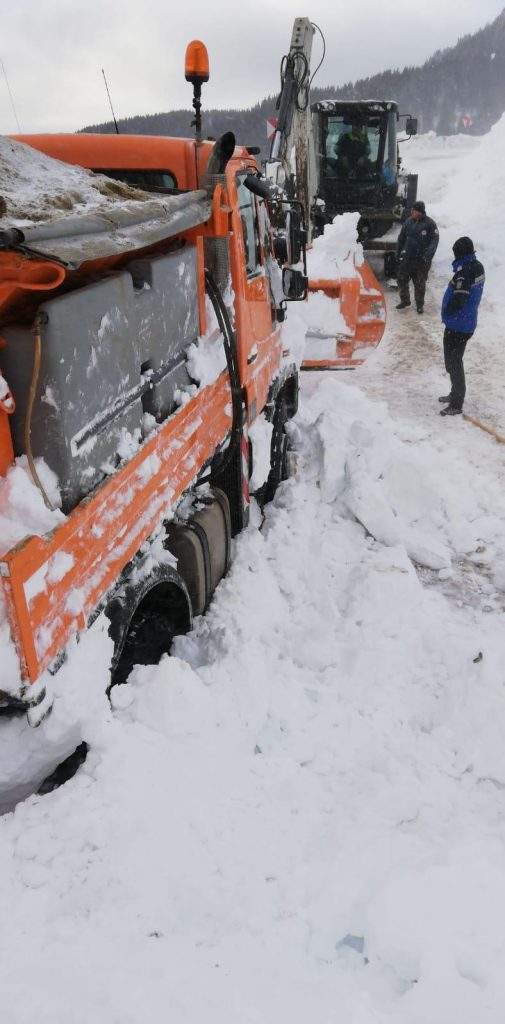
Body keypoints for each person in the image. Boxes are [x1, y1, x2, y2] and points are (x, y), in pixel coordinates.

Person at [439, 236, 485, 416]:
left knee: (453, 362)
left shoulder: (465, 271)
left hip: (458, 324)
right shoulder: (477, 265)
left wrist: (447, 311)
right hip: (465, 322)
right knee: (453, 360)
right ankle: (454, 394)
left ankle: (456, 404)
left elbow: (460, 297)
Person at [396, 200, 439, 314]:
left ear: (419, 211)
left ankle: (420, 305)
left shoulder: (430, 224)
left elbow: (434, 242)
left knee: (419, 283)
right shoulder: (408, 222)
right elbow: (401, 239)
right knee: (401, 279)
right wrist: (398, 252)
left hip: (422, 260)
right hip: (408, 257)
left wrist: (427, 257)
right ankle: (405, 300)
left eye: (413, 210)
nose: (411, 212)